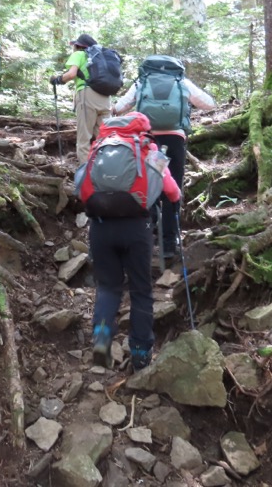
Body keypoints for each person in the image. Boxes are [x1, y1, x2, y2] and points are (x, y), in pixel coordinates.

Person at [81, 112, 182, 371]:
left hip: (101, 227)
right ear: (144, 129)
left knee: (108, 287)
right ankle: (140, 352)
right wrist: (174, 199)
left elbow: (81, 184)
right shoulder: (149, 148)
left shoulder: (99, 147)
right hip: (137, 227)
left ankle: (102, 338)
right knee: (140, 290)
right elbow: (170, 188)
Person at [111, 61, 215, 259]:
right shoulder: (181, 81)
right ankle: (169, 243)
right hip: (174, 140)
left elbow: (120, 107)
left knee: (148, 185)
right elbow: (209, 103)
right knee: (172, 187)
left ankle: (146, 238)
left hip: (149, 141)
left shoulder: (142, 82)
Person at [49, 34, 111, 163]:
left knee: (84, 139)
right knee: (105, 137)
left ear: (78, 46)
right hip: (105, 97)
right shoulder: (102, 57)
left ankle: (86, 176)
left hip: (87, 96)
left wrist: (58, 80)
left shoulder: (79, 54)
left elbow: (71, 74)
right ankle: (107, 170)